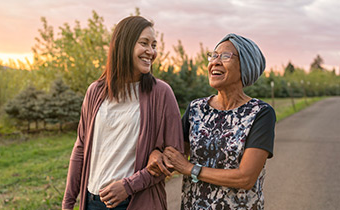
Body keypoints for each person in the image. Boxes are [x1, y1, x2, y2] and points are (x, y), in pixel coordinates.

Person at [62, 16, 184, 210]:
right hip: (93, 201)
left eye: (153, 45)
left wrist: (129, 186)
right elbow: (80, 148)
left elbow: (172, 156)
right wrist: (68, 203)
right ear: (123, 45)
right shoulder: (95, 91)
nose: (151, 52)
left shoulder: (161, 93)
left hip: (135, 201)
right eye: (144, 43)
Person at [148, 33, 276, 209]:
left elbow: (245, 178)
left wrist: (190, 169)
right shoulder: (196, 109)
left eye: (225, 56)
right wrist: (156, 154)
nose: (215, 62)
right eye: (213, 55)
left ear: (245, 67)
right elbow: (173, 155)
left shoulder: (260, 113)